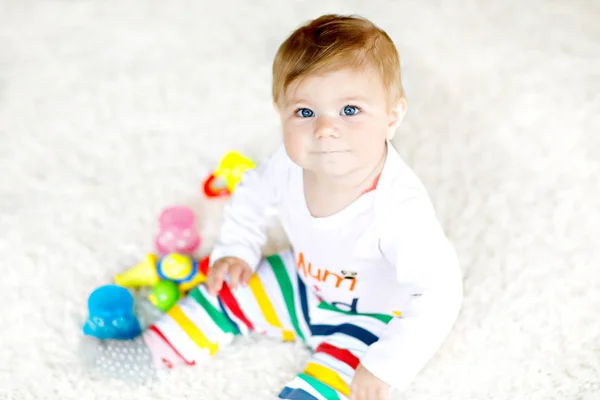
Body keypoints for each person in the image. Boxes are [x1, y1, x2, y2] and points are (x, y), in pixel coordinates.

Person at [81, 14, 463, 400]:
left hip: (377, 317)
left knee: (340, 385)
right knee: (224, 290)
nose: (324, 129)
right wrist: (237, 249)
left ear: (392, 117)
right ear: (280, 113)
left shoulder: (399, 208)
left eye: (350, 110)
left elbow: (440, 292)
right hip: (302, 284)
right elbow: (252, 195)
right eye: (305, 112)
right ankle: (151, 354)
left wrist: (385, 367)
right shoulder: (288, 165)